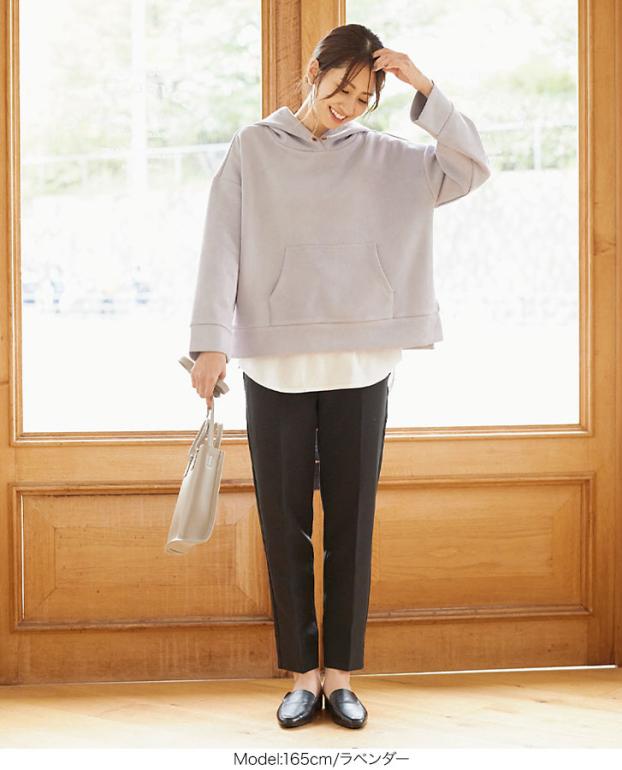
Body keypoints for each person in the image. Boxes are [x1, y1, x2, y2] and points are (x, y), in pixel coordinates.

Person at [189, 23, 491, 729]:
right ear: (314, 72)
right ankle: (301, 675)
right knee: (284, 526)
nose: (349, 106)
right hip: (274, 362)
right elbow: (220, 245)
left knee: (352, 527)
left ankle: (342, 676)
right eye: (342, 88)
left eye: (364, 97)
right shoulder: (253, 147)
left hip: (362, 361)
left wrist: (423, 86)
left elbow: (472, 165)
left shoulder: (388, 159)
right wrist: (210, 344)